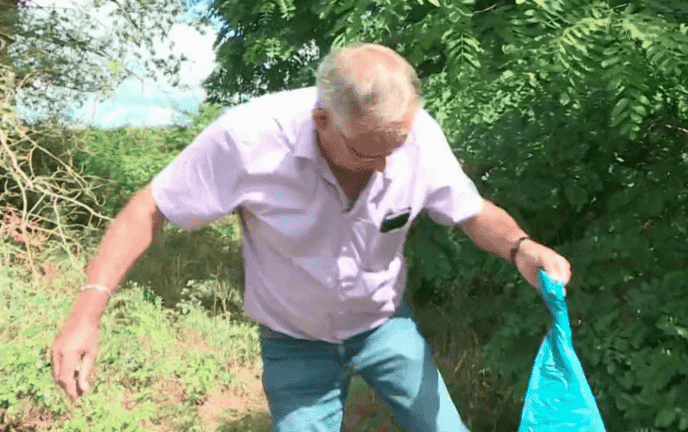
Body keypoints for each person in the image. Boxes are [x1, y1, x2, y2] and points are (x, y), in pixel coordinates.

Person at [52, 42, 571, 432]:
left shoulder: (411, 135)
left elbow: (470, 210)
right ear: (322, 121)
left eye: (397, 147)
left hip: (386, 326)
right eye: (370, 152)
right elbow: (148, 209)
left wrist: (522, 247)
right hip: (293, 342)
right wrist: (86, 313)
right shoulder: (247, 139)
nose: (389, 164)